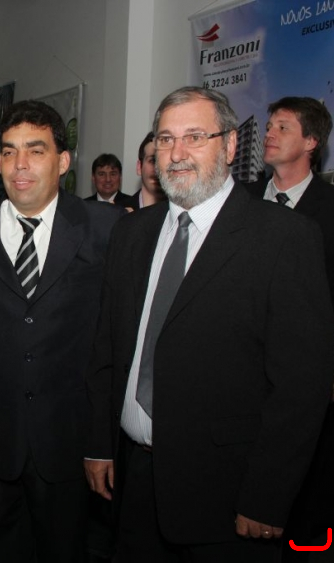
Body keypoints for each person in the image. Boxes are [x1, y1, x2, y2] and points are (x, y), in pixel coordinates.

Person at [84, 86, 334, 563]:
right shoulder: (132, 232)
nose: (176, 153)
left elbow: (301, 386)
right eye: (165, 139)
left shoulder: (285, 237)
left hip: (228, 493)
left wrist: (266, 495)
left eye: (195, 137)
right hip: (134, 482)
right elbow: (107, 349)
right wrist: (99, 445)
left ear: (231, 145)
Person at [0, 100, 123, 562]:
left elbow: (114, 343)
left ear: (63, 161)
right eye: (8, 151)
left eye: (35, 151)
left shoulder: (106, 230)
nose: (19, 164)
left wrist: (103, 440)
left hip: (68, 440)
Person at [244, 96, 334, 562]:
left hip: (304, 382)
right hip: (238, 380)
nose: (270, 133)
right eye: (269, 125)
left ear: (312, 141)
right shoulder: (238, 201)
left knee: (301, 507)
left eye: (283, 127)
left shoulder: (330, 210)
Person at [127, 132, 165, 209]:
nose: (158, 169)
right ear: (139, 167)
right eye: (153, 161)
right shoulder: (120, 211)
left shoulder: (182, 213)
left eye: (164, 162)